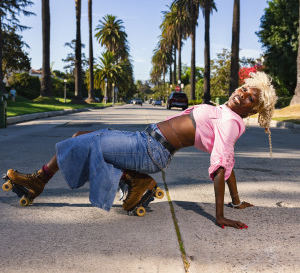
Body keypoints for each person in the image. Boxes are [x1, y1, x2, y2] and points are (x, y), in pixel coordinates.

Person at [4, 71, 277, 229]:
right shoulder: (223, 111)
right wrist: (237, 200)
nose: (241, 94)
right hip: (144, 140)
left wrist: (220, 215)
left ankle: (38, 182)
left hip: (150, 150)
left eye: (249, 98)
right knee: (79, 136)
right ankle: (135, 181)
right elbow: (229, 164)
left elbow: (221, 164)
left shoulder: (230, 122)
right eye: (243, 89)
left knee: (84, 143)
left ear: (254, 109)